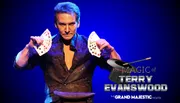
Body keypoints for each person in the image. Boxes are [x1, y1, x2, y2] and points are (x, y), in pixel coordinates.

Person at [14, 2, 121, 103]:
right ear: (55, 24)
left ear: (78, 23)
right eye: (62, 24)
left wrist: (111, 51)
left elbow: (120, 73)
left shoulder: (91, 46)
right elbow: (19, 65)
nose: (67, 29)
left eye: (71, 24)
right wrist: (28, 48)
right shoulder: (45, 45)